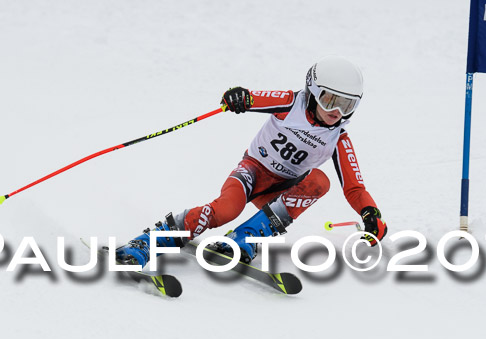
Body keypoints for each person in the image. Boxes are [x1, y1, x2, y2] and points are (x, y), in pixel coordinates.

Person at [115, 55, 387, 266]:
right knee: (225, 211)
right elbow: (253, 98)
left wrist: (370, 213)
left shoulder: (338, 139)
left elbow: (355, 188)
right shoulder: (291, 103)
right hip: (252, 173)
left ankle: (246, 236)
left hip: (282, 191)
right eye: (330, 101)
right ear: (314, 91)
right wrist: (239, 97)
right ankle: (147, 243)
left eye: (347, 105)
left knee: (320, 181)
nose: (336, 112)